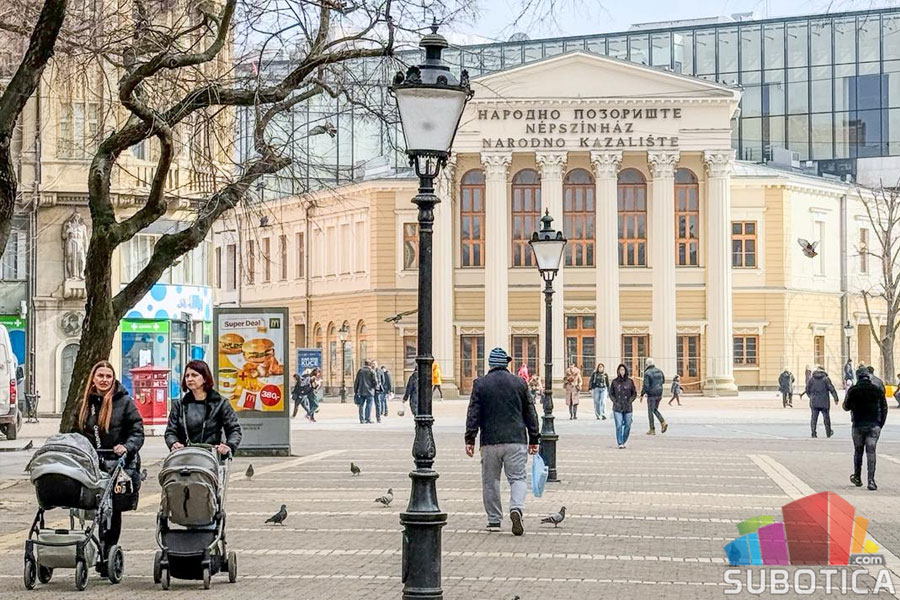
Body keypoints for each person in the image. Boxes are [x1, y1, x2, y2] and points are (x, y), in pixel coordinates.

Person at [464, 347, 540, 536]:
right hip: (516, 439)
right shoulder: (519, 383)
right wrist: (534, 438)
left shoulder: (480, 384)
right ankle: (516, 508)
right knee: (518, 478)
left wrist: (470, 438)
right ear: (506, 363)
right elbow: (530, 412)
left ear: (490, 364)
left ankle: (494, 520)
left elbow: (473, 413)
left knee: (491, 481)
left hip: (490, 441)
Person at [73, 360, 144, 550]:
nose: (104, 380)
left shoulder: (125, 402)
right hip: (91, 463)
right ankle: (84, 544)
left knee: (111, 508)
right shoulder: (83, 404)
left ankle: (108, 548)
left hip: (117, 463)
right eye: (100, 376)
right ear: (93, 379)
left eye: (108, 376)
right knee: (87, 504)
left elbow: (137, 431)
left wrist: (126, 447)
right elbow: (74, 433)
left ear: (113, 379)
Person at [165, 360, 242, 455]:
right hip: (184, 456)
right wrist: (174, 443)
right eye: (187, 376)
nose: (189, 379)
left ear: (205, 378)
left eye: (194, 375)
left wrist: (229, 446)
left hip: (212, 456)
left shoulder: (221, 403)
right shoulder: (179, 405)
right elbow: (170, 431)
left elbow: (234, 429)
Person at [843, 366, 888, 491]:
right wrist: (880, 423)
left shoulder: (853, 390)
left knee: (858, 451)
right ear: (868, 377)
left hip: (858, 424)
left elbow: (846, 406)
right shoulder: (877, 390)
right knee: (871, 451)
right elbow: (884, 408)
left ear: (858, 377)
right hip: (874, 425)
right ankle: (871, 480)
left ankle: (857, 477)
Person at [805, 365, 839, 438]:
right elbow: (831, 389)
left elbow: (807, 389)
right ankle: (828, 432)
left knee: (814, 418)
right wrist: (836, 398)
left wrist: (811, 396)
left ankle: (813, 433)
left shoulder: (811, 379)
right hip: (824, 401)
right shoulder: (826, 379)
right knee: (826, 418)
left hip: (814, 401)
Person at [610, 364, 637, 449]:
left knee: (628, 425)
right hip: (617, 407)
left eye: (623, 370)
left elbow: (634, 393)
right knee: (618, 425)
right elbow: (611, 393)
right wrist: (615, 401)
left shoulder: (630, 381)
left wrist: (630, 401)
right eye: (620, 370)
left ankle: (624, 439)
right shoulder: (614, 382)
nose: (621, 371)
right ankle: (620, 442)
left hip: (627, 406)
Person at [640, 358, 668, 435]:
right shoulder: (660, 371)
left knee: (650, 411)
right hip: (659, 393)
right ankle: (663, 422)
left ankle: (652, 429)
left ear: (647, 364)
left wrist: (642, 394)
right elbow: (663, 381)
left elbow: (646, 385)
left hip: (651, 394)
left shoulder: (647, 373)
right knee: (655, 409)